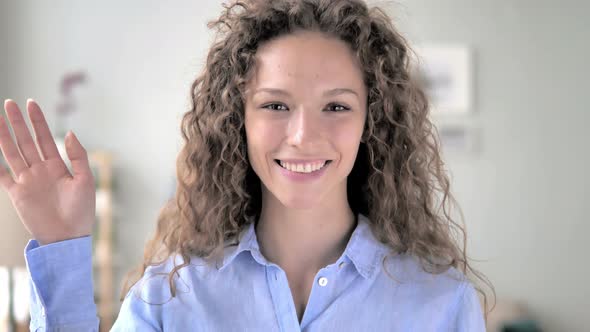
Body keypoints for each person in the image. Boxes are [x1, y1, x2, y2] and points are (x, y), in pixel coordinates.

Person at [0, 0, 494, 331]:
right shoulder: (169, 301)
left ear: (373, 121)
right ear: (238, 120)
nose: (303, 136)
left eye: (337, 106)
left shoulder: (442, 305)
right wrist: (63, 247)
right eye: (275, 106)